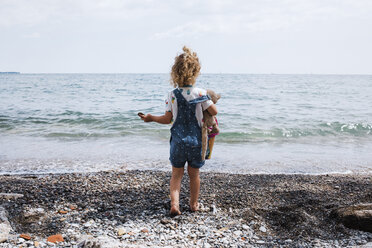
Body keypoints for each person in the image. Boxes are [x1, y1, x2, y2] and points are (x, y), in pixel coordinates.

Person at [139, 46, 218, 216]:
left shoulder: (172, 94)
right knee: (194, 174)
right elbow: (214, 112)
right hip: (196, 141)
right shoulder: (201, 93)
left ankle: (175, 205)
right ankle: (193, 204)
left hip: (177, 141)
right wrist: (208, 104)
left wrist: (151, 117)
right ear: (196, 72)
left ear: (174, 72)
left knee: (176, 175)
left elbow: (168, 119)